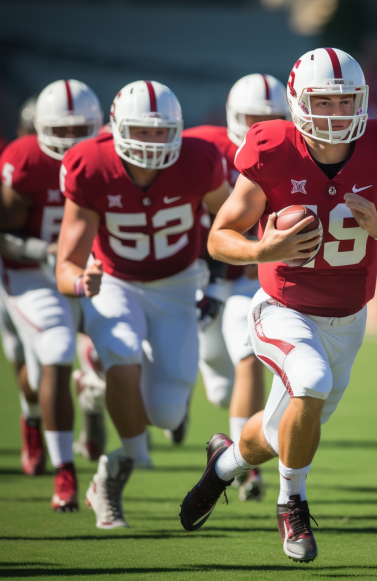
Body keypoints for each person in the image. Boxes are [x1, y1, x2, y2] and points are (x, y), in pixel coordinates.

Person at [179, 47, 377, 563]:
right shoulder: (272, 149)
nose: (338, 115)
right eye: (325, 102)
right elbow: (219, 237)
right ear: (297, 102)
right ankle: (290, 504)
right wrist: (262, 251)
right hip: (282, 307)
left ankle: (223, 465)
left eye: (347, 103)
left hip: (349, 316)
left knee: (278, 432)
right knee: (311, 381)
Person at [56, 80, 229, 529]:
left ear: (178, 129)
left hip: (178, 283)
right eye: (141, 131)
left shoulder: (200, 159)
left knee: (167, 413)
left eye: (161, 131)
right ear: (115, 129)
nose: (152, 142)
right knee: (123, 351)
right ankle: (122, 464)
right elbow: (66, 266)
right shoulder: (91, 164)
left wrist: (218, 286)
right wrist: (82, 282)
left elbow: (232, 224)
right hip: (116, 281)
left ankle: (103, 408)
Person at [183, 73, 288, 501]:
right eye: (251, 117)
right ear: (232, 116)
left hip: (248, 275)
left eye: (271, 117)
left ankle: (244, 468)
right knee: (219, 386)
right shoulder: (201, 147)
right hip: (200, 272)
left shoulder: (293, 150)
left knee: (247, 353)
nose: (260, 126)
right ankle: (224, 431)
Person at [0, 79, 102, 509]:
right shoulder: (24, 160)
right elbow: (3, 232)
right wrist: (43, 251)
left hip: (91, 272)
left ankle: (87, 416)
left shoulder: (109, 157)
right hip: (30, 276)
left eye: (80, 129)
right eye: (60, 130)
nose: (70, 139)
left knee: (105, 348)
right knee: (32, 361)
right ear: (39, 128)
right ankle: (38, 429)